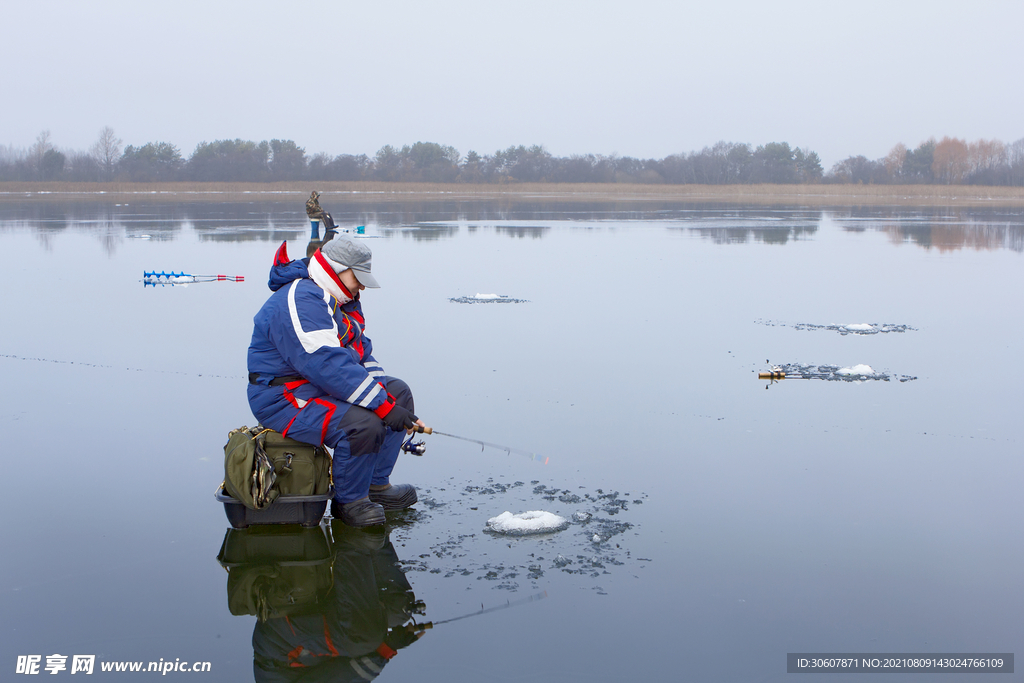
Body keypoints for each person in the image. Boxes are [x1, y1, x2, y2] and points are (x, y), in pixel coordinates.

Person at [247, 236, 424, 526]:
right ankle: (349, 502)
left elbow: (360, 354)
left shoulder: (337, 300)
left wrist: (388, 401)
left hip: (317, 386)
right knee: (361, 424)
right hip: (284, 397)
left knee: (398, 393)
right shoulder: (301, 299)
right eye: (359, 277)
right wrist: (382, 407)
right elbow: (326, 365)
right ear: (337, 269)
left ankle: (375, 486)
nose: (363, 286)